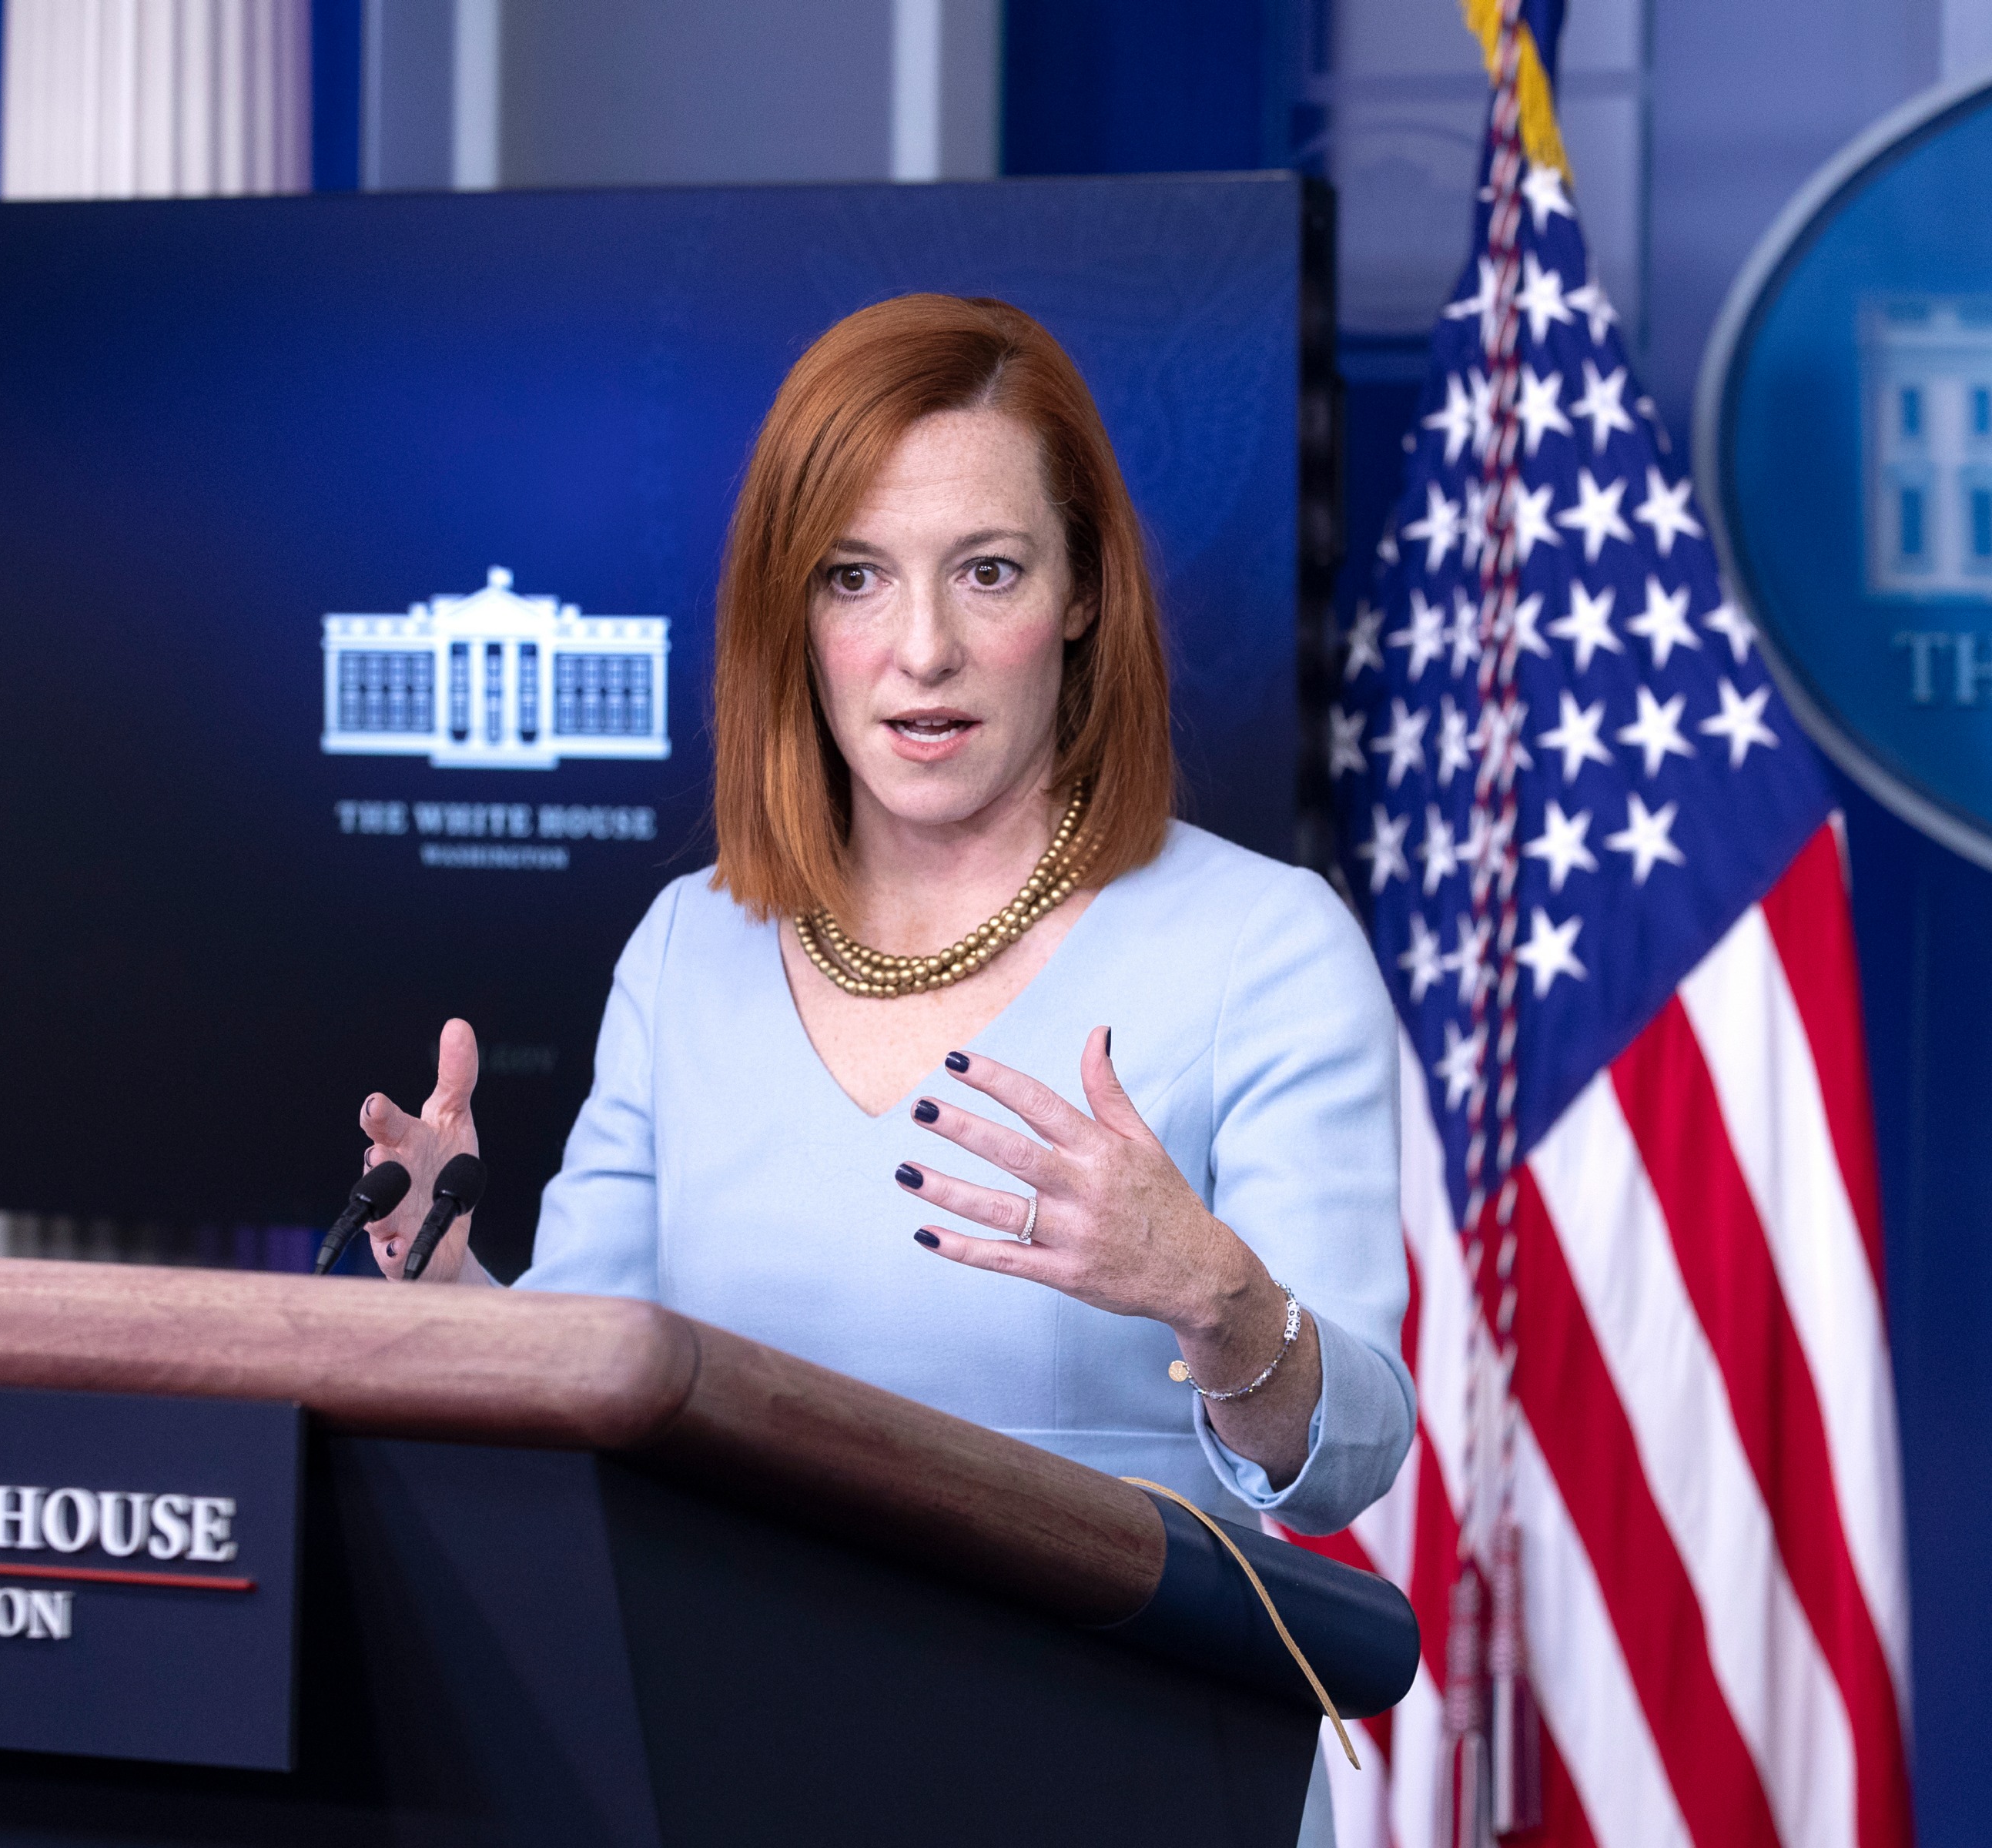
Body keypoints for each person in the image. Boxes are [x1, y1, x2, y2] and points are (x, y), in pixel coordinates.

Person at [355, 290, 1413, 1663]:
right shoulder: (691, 947)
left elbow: (1349, 1462)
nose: (924, 650)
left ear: (1083, 592)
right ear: (791, 614)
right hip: (729, 1737)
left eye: (989, 571)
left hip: (1129, 1752)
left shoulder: (1263, 943)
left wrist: (1212, 1296)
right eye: (856, 576)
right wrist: (447, 1286)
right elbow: (588, 1367)